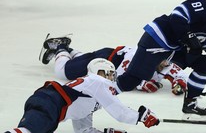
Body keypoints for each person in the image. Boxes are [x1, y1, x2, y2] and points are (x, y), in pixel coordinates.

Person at [114, 0, 206, 121]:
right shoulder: (202, 4)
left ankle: (190, 104)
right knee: (131, 81)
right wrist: (189, 37)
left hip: (174, 49)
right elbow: (177, 16)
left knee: (203, 64)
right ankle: (104, 93)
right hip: (156, 40)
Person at [0, 58, 160, 133]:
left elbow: (82, 130)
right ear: (100, 73)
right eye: (110, 74)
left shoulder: (91, 95)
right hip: (49, 101)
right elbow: (119, 112)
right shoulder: (97, 83)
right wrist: (141, 116)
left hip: (53, 111)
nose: (112, 79)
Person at [39, 34, 188, 95]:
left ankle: (67, 51)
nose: (165, 64)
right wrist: (142, 84)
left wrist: (179, 84)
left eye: (167, 60)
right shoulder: (140, 56)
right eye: (162, 60)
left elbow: (179, 74)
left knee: (78, 61)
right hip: (104, 60)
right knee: (63, 71)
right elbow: (123, 75)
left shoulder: (164, 62)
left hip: (107, 61)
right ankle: (61, 46)